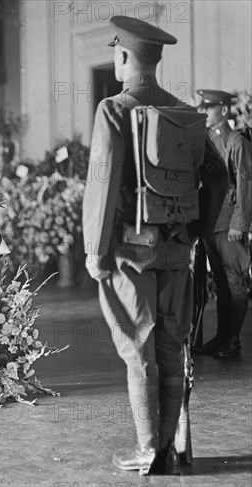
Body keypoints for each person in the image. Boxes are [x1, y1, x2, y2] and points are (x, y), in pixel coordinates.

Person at [82, 16, 228, 475]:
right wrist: (196, 229)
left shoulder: (114, 109)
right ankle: (170, 446)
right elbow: (218, 177)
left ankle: (150, 450)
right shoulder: (184, 113)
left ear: (124, 57)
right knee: (171, 345)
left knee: (137, 349)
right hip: (176, 249)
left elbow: (102, 185)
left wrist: (95, 250)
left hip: (128, 254)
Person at [195, 90, 252, 358]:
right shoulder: (206, 142)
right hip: (211, 223)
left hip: (230, 224)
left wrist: (240, 223)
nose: (204, 113)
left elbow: (245, 185)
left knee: (235, 281)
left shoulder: (237, 142)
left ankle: (232, 341)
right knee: (220, 282)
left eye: (209, 108)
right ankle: (222, 338)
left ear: (224, 111)